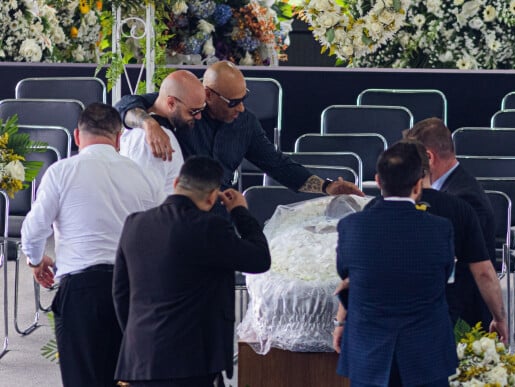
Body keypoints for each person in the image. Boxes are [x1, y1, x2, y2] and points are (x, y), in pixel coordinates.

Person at [21, 103, 165, 387]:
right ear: (118, 138)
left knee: (83, 379)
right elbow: (162, 233)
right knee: (131, 378)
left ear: (76, 136)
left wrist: (36, 261)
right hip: (134, 291)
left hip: (81, 291)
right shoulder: (146, 177)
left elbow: (34, 230)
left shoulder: (61, 172)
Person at [113, 156, 271, 387]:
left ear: (176, 181)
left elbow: (120, 292)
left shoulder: (135, 223)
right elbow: (259, 259)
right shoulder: (210, 227)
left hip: (141, 357)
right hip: (190, 361)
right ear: (211, 197)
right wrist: (240, 212)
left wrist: (139, 338)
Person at [115, 61, 363, 201]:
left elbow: (278, 165)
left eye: (243, 98)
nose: (241, 108)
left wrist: (326, 186)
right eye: (233, 102)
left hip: (221, 211)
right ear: (208, 94)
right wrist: (148, 122)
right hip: (183, 212)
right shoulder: (185, 107)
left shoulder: (246, 123)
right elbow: (123, 107)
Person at [353, 141, 508, 341]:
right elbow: (484, 273)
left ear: (379, 180)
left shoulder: (371, 210)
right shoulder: (459, 209)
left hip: (383, 322)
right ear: (426, 169)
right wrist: (498, 317)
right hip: (439, 321)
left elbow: (357, 274)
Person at [335, 142, 457, 387]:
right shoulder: (440, 229)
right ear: (417, 184)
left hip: (368, 349)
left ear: (378, 181)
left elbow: (346, 276)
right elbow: (444, 277)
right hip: (425, 351)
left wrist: (339, 324)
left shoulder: (351, 226)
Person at [404, 117, 496, 329]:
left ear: (428, 157)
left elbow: (470, 267)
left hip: (462, 314)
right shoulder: (453, 188)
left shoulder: (464, 197)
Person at [120, 70, 206, 195]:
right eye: (193, 111)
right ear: (171, 103)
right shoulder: (156, 139)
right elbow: (145, 199)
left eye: (201, 109)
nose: (199, 117)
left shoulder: (145, 128)